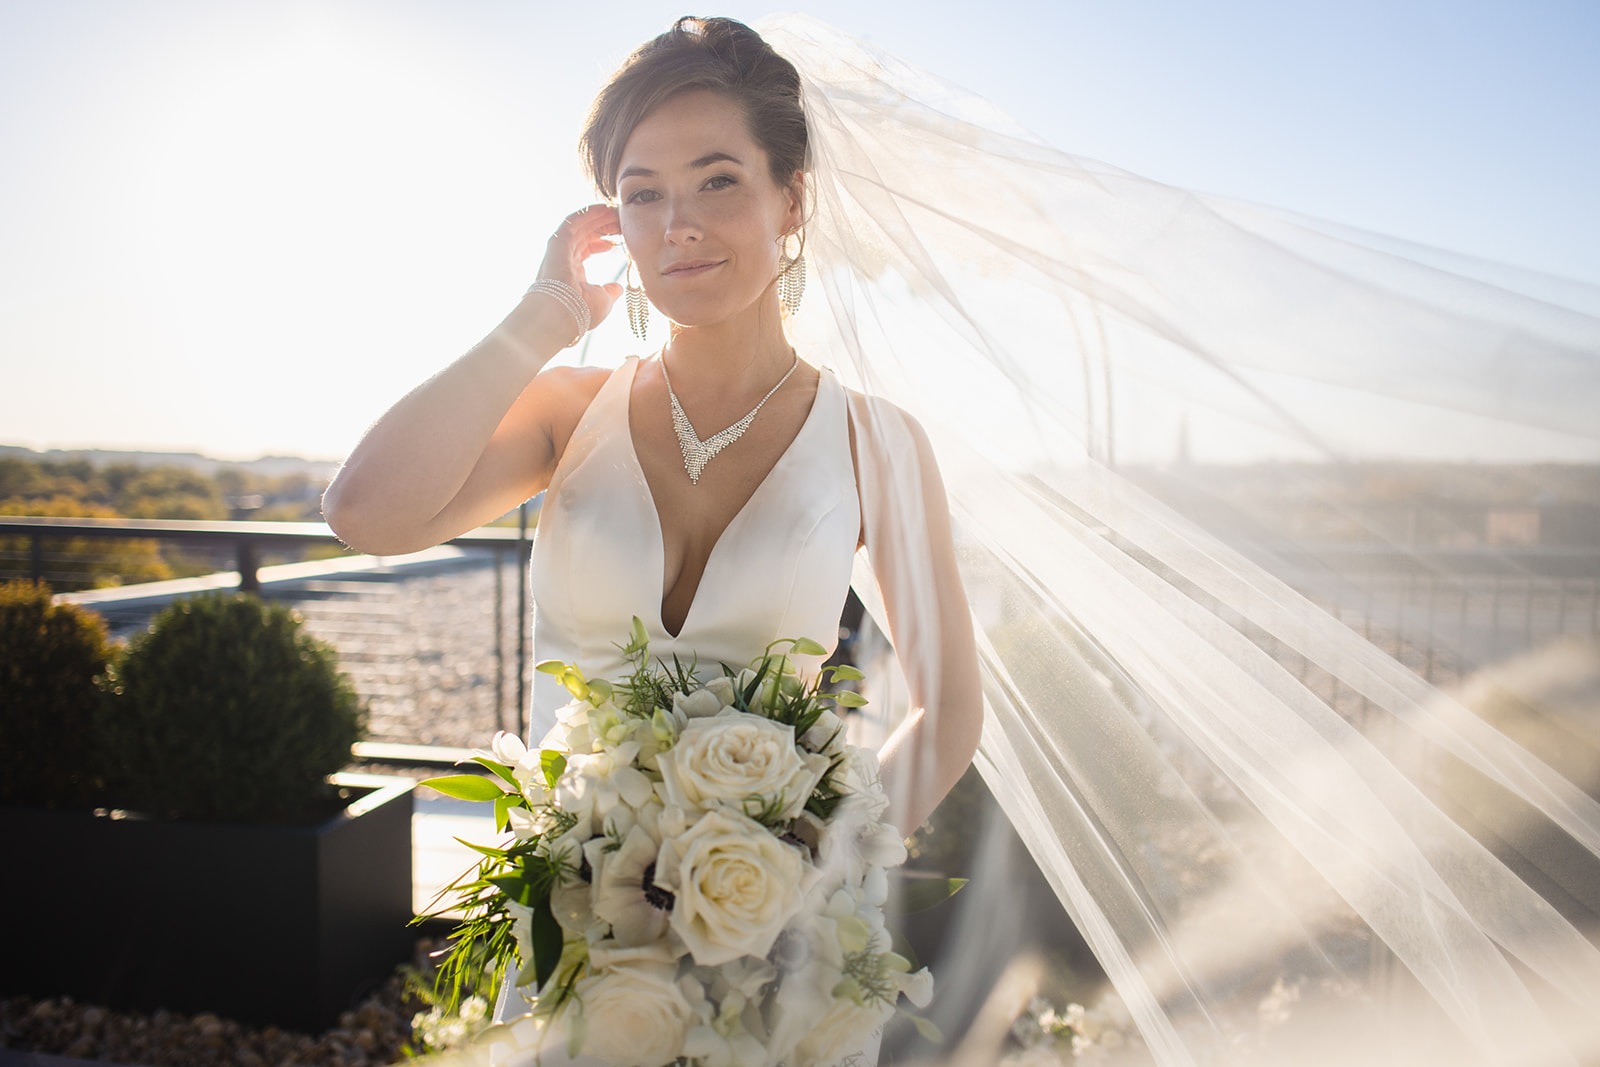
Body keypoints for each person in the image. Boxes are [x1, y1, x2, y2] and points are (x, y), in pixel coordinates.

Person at [328, 14, 1600, 1067]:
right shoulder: (564, 411)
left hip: (778, 942)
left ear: (791, 197)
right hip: (574, 927)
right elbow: (366, 513)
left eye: (719, 179)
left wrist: (810, 859)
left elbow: (948, 701)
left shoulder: (878, 442)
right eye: (641, 195)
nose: (681, 226)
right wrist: (542, 311)